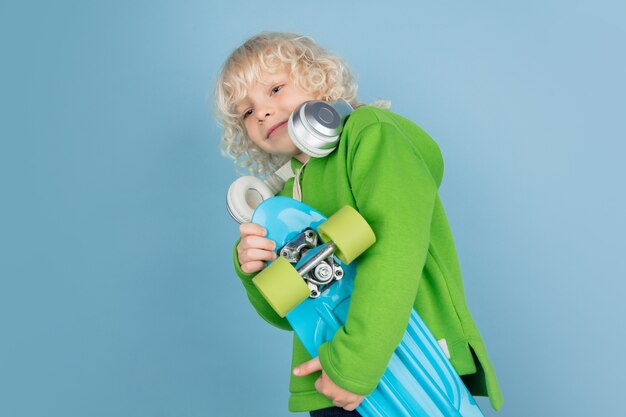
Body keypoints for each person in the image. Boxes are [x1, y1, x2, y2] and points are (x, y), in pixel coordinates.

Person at [214, 32, 504, 416]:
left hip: (411, 371)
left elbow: (394, 250)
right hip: (331, 384)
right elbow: (293, 313)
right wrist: (253, 270)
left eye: (276, 88)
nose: (262, 111)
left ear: (320, 79)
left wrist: (353, 367)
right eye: (246, 112)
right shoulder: (284, 196)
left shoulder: (372, 134)